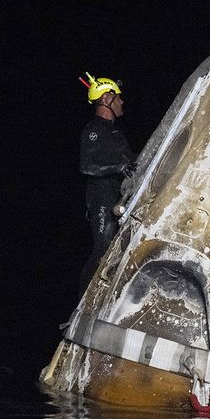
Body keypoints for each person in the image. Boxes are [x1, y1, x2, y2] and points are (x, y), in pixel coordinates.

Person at [79, 73, 136, 295]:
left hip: (118, 196)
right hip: (101, 196)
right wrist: (118, 168)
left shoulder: (116, 133)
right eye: (118, 97)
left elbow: (132, 162)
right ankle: (82, 303)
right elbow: (87, 165)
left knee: (117, 248)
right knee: (102, 249)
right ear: (105, 100)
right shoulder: (95, 129)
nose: (122, 102)